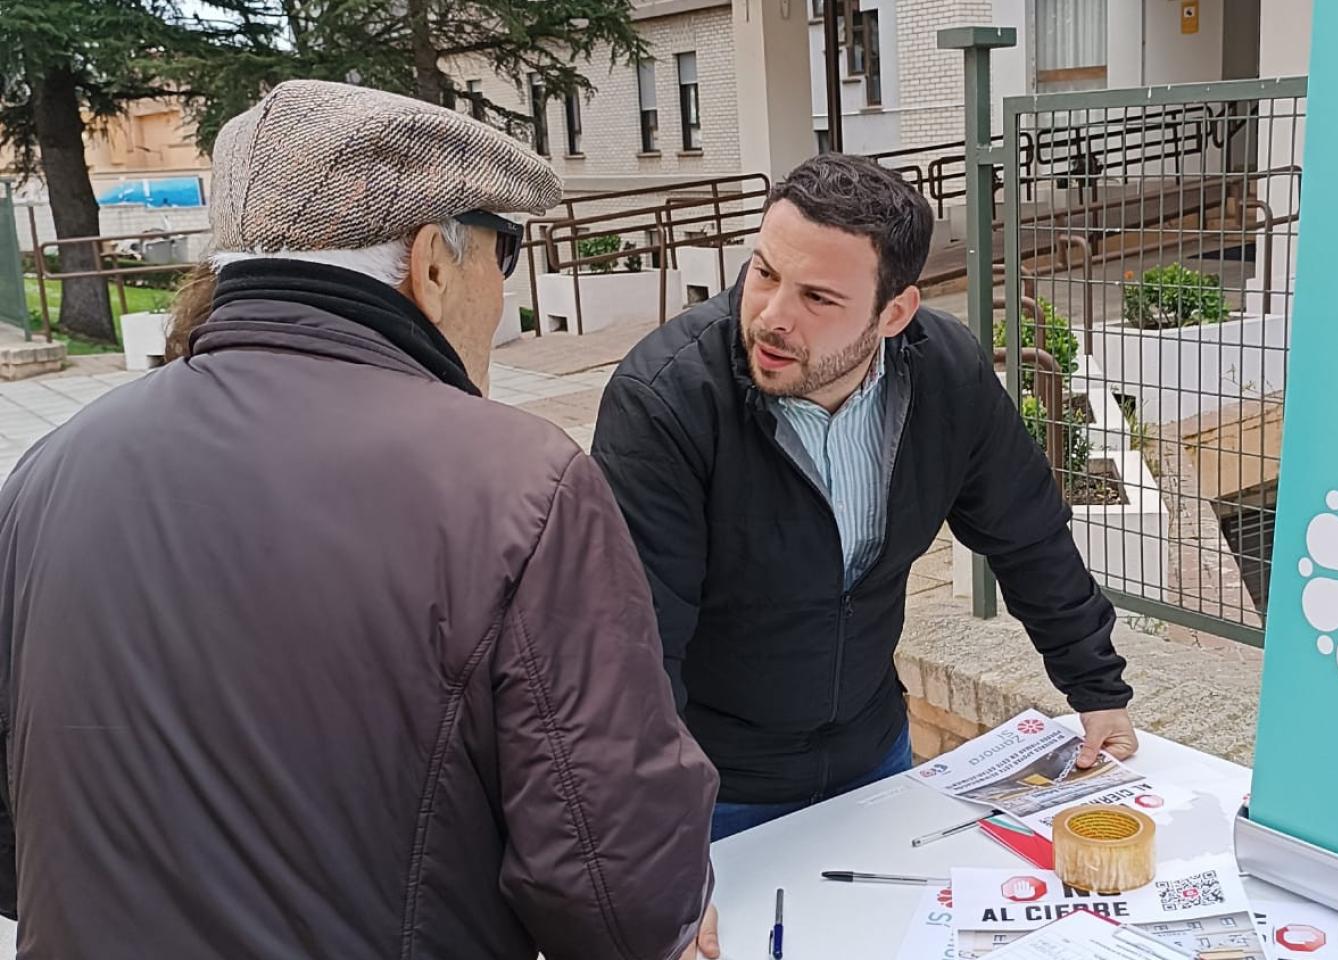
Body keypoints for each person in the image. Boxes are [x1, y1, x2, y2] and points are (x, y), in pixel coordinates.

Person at [0, 80, 720, 960]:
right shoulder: (519, 487)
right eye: (506, 255)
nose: (501, 295)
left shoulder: (48, 471)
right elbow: (618, 898)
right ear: (433, 260)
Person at [592, 153, 1139, 842]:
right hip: (714, 792)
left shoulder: (947, 375)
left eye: (818, 298)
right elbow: (636, 644)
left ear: (895, 312)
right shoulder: (666, 401)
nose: (770, 317)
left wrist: (1097, 689)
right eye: (764, 273)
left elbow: (1027, 534)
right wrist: (655, 851)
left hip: (875, 757)